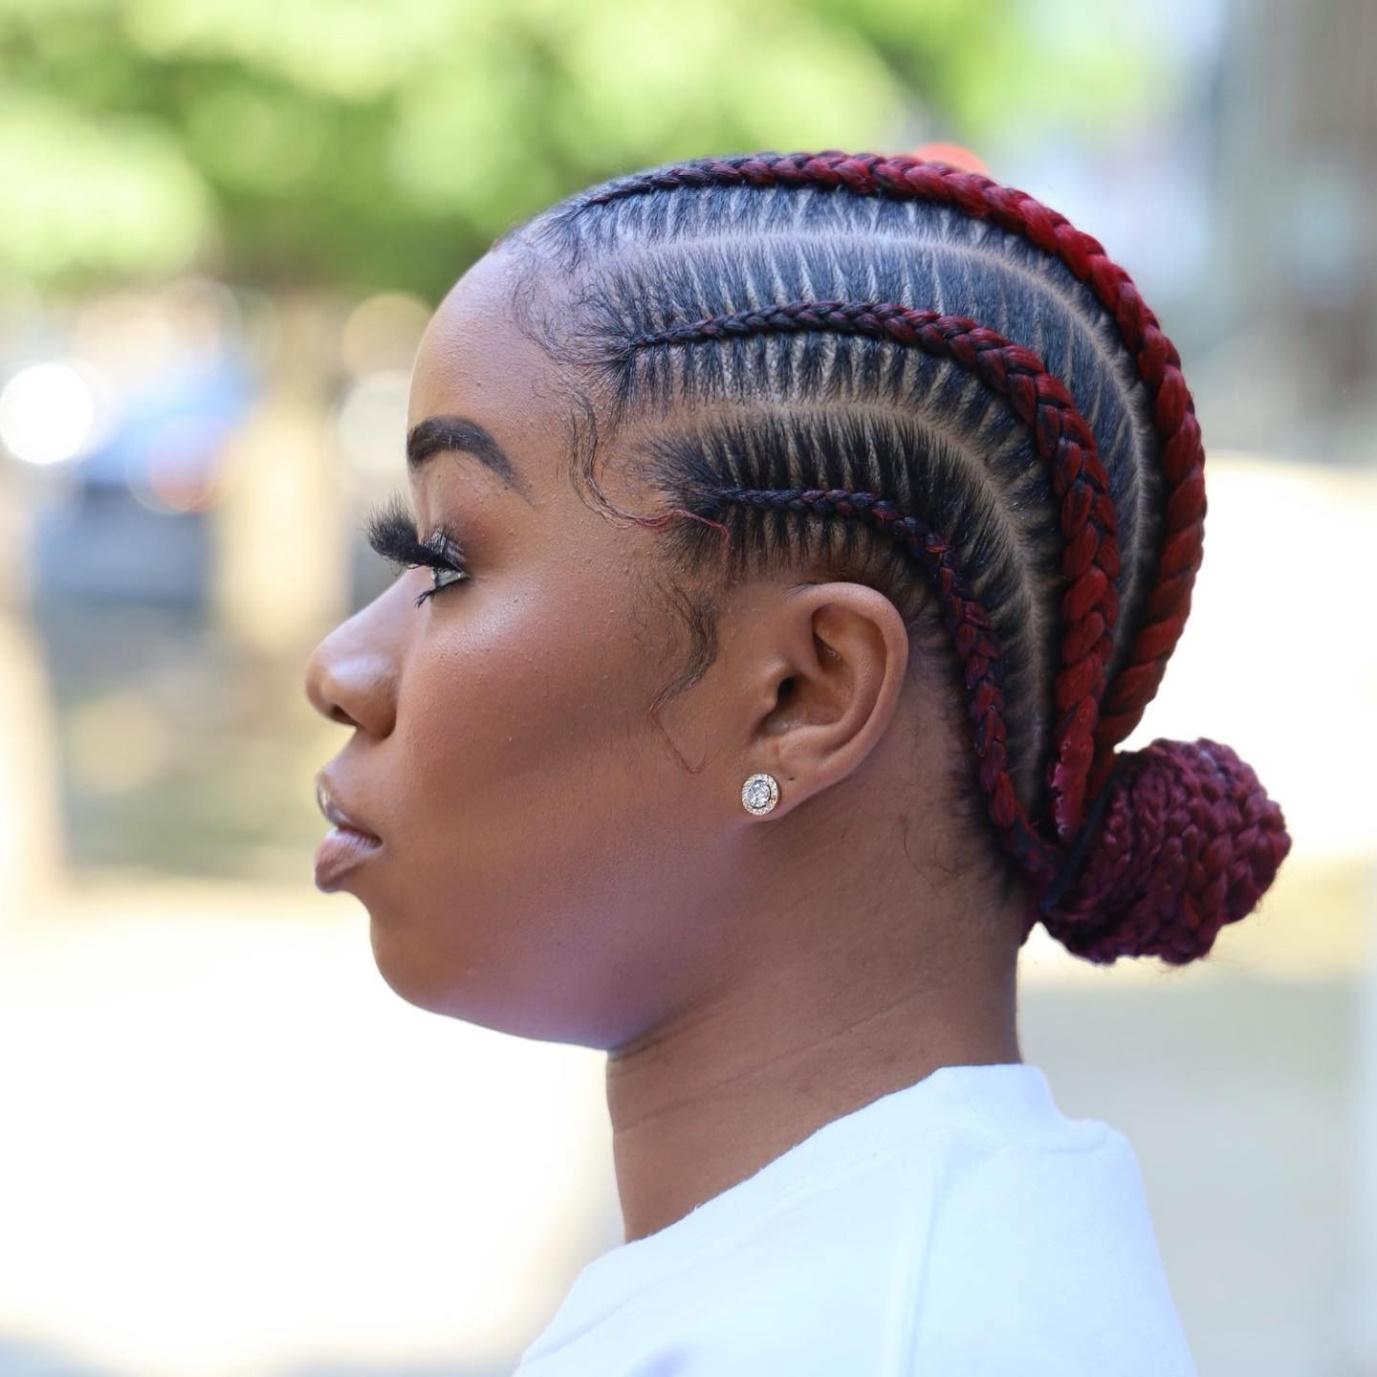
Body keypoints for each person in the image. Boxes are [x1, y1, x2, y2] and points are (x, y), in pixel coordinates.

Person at [303, 150, 1290, 1374]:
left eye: (444, 560)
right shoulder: (880, 1281)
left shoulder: (888, 1333)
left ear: (800, 696)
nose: (341, 667)